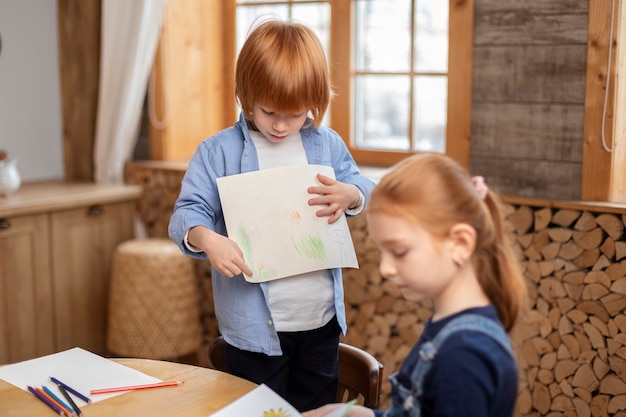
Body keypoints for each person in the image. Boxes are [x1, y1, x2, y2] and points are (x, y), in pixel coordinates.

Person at [168, 19, 375, 412]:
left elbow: (364, 187)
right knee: (255, 411)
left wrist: (350, 194)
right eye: (269, 112)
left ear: (315, 102)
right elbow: (187, 213)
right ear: (246, 94)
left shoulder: (326, 145)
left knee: (316, 409)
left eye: (296, 114)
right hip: (253, 330)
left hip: (321, 322)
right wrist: (208, 239)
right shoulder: (219, 152)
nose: (281, 125)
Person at [303, 153, 527, 417]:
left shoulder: (464, 358)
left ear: (460, 244)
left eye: (398, 251)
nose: (385, 269)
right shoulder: (450, 328)